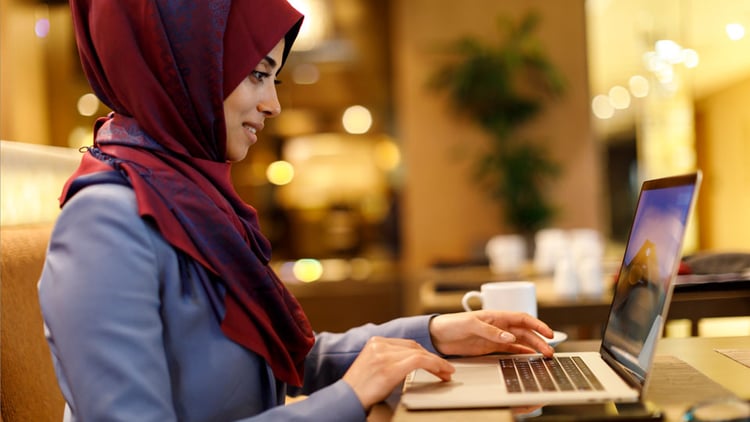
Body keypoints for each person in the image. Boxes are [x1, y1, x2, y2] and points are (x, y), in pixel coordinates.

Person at [38, 1, 555, 421]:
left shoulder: (191, 199)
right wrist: (347, 398)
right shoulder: (105, 223)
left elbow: (283, 356)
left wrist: (436, 334)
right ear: (184, 72)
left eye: (274, 80)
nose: (272, 105)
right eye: (258, 75)